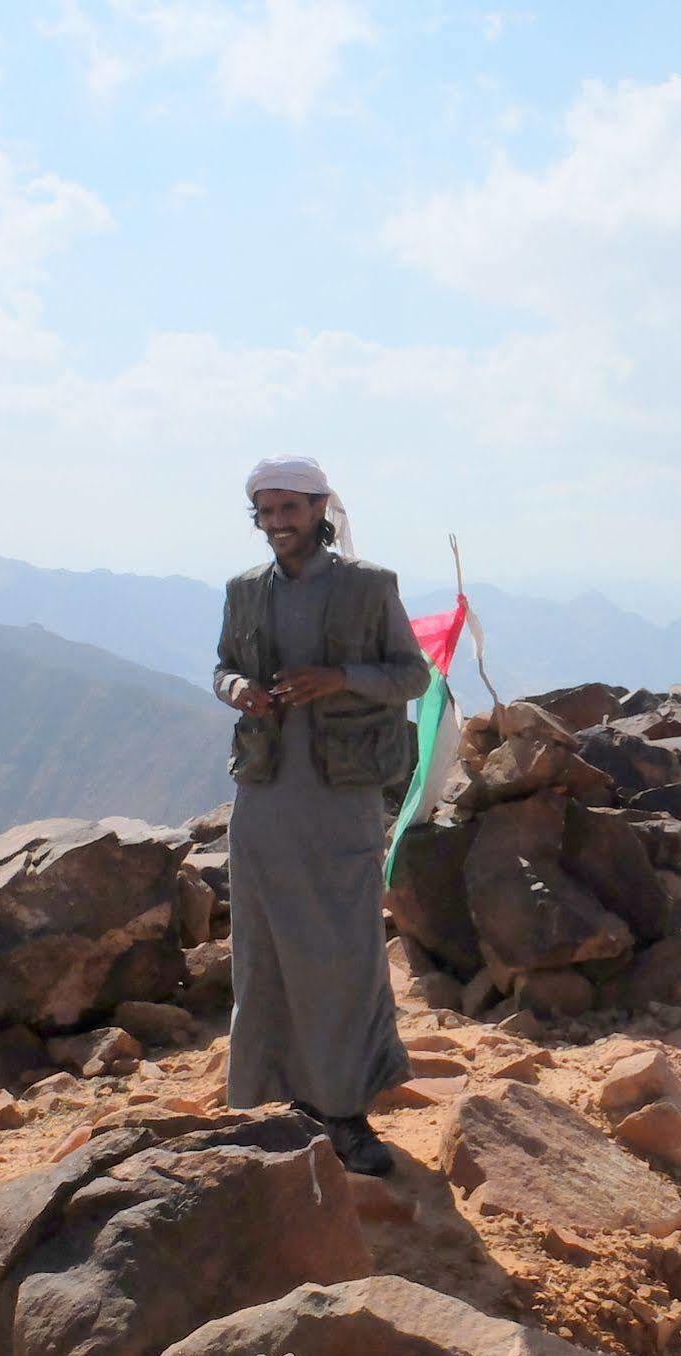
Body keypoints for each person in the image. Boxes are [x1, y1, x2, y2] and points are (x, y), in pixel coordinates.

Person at [212, 455, 427, 1175]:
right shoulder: (244, 593)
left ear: (319, 511)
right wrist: (240, 688)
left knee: (341, 955)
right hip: (266, 795)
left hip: (341, 796)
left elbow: (411, 674)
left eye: (289, 511)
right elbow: (219, 667)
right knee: (266, 950)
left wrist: (339, 679)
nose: (277, 525)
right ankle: (279, 1105)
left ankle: (344, 1112)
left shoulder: (369, 588)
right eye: (266, 514)